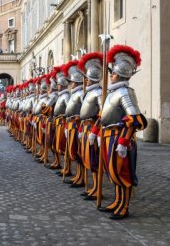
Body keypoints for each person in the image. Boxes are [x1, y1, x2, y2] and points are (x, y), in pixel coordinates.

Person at [93, 45, 147, 220]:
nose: (111, 75)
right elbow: (103, 115)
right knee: (113, 172)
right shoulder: (111, 93)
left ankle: (124, 206)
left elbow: (135, 119)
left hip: (120, 138)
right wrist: (96, 132)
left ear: (121, 74)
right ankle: (117, 201)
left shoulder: (125, 92)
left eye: (113, 73)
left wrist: (124, 141)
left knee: (123, 174)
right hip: (108, 137)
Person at [77, 52, 103, 200]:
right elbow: (83, 114)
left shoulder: (98, 92)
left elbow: (102, 113)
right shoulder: (88, 93)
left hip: (93, 128)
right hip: (85, 128)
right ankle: (92, 187)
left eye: (87, 78)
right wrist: (81, 128)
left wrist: (95, 131)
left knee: (94, 160)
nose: (85, 81)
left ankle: (96, 188)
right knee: (86, 158)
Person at [62, 60, 85, 187]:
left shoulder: (81, 93)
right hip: (71, 125)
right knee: (73, 152)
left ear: (75, 82)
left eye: (71, 82)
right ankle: (78, 175)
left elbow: (86, 111)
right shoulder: (74, 93)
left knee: (79, 153)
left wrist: (78, 118)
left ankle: (81, 177)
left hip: (78, 126)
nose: (70, 84)